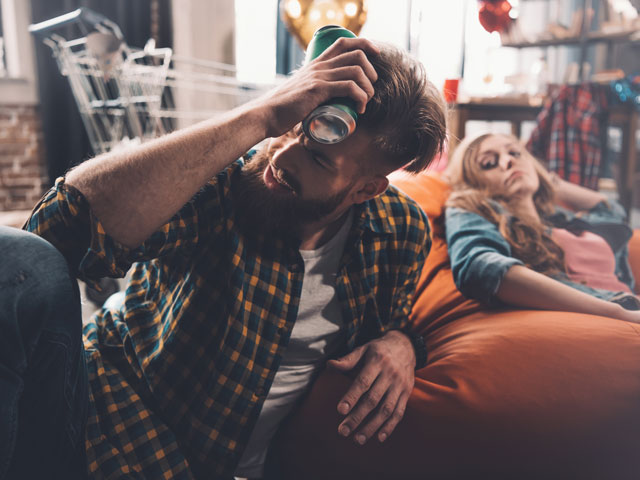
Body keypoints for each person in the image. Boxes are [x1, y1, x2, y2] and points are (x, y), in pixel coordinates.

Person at [1, 36, 447, 480]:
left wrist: (403, 344)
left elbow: (396, 321)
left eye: (318, 155)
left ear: (366, 189)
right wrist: (264, 114)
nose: (282, 155)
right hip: (93, 408)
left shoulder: (398, 234)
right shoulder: (228, 184)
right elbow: (55, 236)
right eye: (293, 127)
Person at [444, 133, 640, 324]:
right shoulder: (468, 210)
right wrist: (617, 313)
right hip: (614, 313)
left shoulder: (559, 217)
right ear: (472, 184)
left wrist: (549, 182)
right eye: (489, 163)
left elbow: (611, 211)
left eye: (515, 153)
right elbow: (480, 268)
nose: (508, 162)